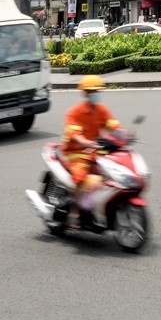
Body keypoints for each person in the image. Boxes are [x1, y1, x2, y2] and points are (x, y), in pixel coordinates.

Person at [61, 75, 122, 222]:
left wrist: (124, 136)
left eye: (98, 91)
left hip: (94, 151)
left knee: (110, 175)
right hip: (75, 152)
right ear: (85, 93)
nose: (96, 94)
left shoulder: (102, 110)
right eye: (93, 91)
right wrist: (87, 142)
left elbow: (114, 126)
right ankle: (74, 211)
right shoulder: (75, 112)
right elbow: (75, 135)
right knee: (81, 176)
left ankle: (97, 207)